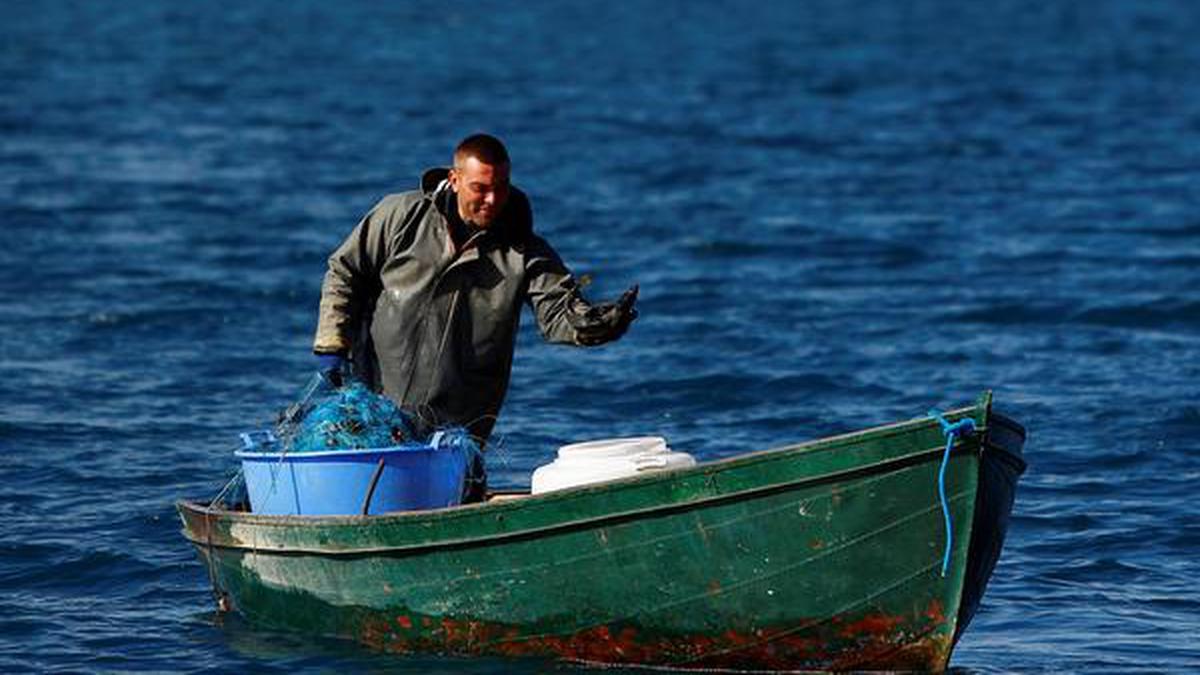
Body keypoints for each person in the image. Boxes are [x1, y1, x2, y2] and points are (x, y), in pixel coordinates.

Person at [312, 133, 638, 447]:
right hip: (375, 404)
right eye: (479, 189)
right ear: (454, 180)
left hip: (459, 428)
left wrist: (599, 325)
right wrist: (331, 346)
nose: (492, 200)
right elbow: (344, 272)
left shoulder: (524, 251)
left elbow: (558, 315)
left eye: (500, 188)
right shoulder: (400, 216)